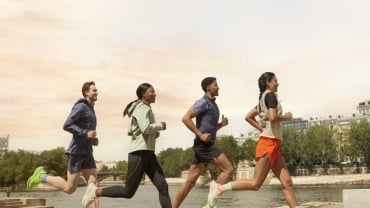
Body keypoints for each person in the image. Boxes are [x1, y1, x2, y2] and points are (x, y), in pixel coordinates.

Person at [207, 72, 298, 208]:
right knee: (255, 184)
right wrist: (286, 117)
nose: (277, 83)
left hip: (274, 145)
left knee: (287, 182)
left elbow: (249, 116)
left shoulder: (263, 99)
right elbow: (273, 117)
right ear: (268, 82)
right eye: (275, 81)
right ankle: (219, 189)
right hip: (268, 143)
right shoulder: (270, 96)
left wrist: (261, 128)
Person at [81, 83, 172, 208]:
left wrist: (153, 133)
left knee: (163, 186)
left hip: (148, 152)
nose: (155, 94)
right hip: (139, 153)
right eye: (152, 92)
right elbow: (145, 128)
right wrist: (161, 126)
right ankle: (95, 192)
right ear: (143, 94)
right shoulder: (141, 108)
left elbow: (132, 130)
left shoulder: (144, 108)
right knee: (128, 192)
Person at [27, 81, 100, 208]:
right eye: (93, 90)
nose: (96, 92)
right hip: (77, 152)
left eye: (96, 90)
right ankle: (42, 177)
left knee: (93, 186)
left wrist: (91, 140)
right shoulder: (81, 107)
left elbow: (87, 132)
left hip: (87, 151)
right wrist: (85, 133)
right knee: (69, 188)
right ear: (86, 92)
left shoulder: (91, 109)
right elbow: (67, 125)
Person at [172, 77, 233, 208]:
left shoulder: (213, 105)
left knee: (190, 181)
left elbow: (208, 129)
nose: (218, 87)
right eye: (215, 85)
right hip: (205, 146)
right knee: (228, 169)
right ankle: (210, 204)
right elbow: (186, 118)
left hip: (202, 145)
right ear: (208, 88)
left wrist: (220, 125)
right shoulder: (202, 102)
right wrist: (199, 134)